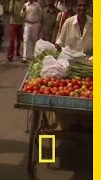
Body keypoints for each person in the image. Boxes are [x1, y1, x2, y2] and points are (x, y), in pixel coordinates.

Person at [47, 0, 92, 132]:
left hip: (88, 66)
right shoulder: (68, 23)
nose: (82, 8)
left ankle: (86, 122)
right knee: (62, 93)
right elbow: (60, 43)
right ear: (76, 7)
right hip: (69, 67)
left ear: (88, 7)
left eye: (84, 5)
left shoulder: (95, 23)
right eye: (79, 5)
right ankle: (64, 123)